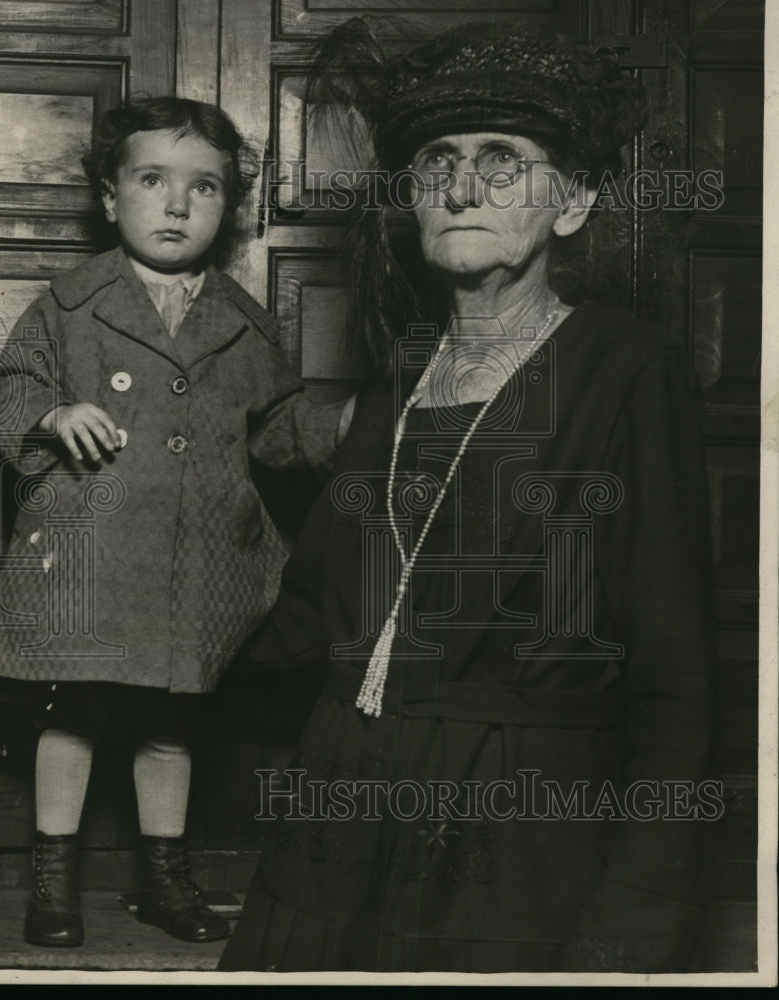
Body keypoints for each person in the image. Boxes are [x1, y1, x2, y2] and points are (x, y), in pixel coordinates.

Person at [218, 21, 717, 974]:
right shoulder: (401, 377)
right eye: (436, 162)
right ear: (410, 200)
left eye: (502, 160)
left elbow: (676, 671)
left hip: (518, 826)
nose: (459, 186)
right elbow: (312, 616)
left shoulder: (628, 369)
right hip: (343, 814)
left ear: (571, 203)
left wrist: (642, 909)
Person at [0, 97, 353, 948]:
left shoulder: (246, 325)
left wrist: (346, 425)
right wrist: (51, 416)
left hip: (198, 562)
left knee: (171, 722)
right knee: (70, 713)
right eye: (153, 180)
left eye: (205, 187)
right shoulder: (69, 307)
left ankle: (163, 879)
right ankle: (53, 880)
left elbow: (279, 429)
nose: (178, 203)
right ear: (110, 198)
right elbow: (12, 391)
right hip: (94, 553)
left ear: (228, 209)